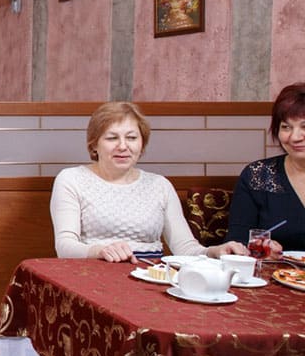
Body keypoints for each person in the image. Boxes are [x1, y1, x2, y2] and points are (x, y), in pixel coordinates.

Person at [50, 101, 248, 263]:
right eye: (112, 138)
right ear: (94, 144)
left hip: (150, 276)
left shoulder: (160, 185)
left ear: (142, 144)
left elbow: (186, 249)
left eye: (131, 138)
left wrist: (214, 251)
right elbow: (65, 246)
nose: (123, 146)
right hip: (92, 273)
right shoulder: (71, 179)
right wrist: (99, 251)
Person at [224, 83, 305, 255]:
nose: (295, 137)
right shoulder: (258, 175)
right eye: (286, 127)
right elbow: (237, 244)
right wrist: (261, 251)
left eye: (304, 126)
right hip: (276, 271)